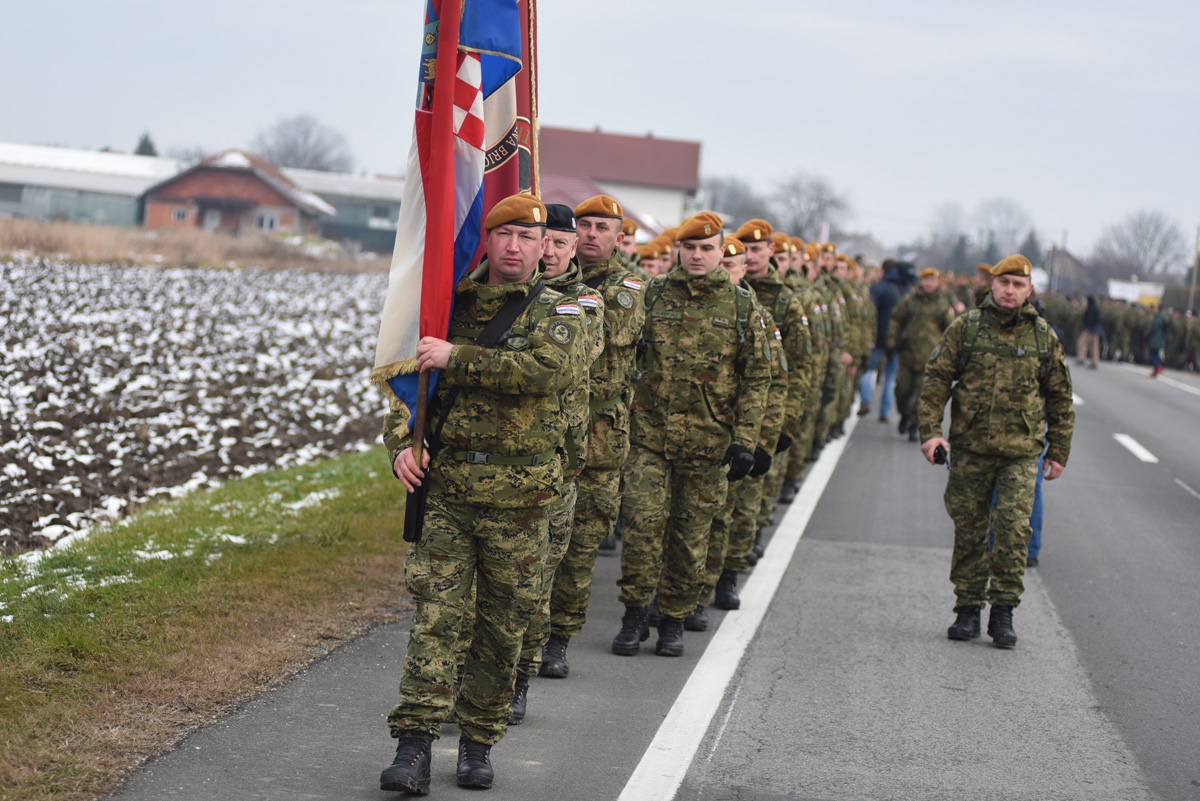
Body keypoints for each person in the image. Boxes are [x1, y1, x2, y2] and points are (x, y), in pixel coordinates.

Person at [378, 194, 590, 792]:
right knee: (437, 619)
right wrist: (399, 445)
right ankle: (414, 744)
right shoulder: (447, 304)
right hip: (447, 490)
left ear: (546, 244)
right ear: (488, 240)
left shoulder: (564, 310)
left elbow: (545, 371)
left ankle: (478, 742)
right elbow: (404, 384)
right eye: (507, 235)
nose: (519, 247)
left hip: (522, 501)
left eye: (531, 236)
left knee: (503, 626)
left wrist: (459, 357)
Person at [613, 212, 771, 657]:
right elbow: (627, 355)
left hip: (708, 443)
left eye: (707, 249)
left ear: (722, 251)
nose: (698, 256)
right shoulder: (655, 293)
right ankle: (633, 614)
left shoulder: (743, 307)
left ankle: (674, 618)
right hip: (649, 436)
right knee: (643, 526)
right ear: (679, 250)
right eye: (690, 248)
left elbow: (758, 378)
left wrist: (746, 439)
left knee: (689, 534)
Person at [918, 254, 1074, 649]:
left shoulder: (1043, 337)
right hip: (971, 449)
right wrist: (931, 433)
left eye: (1018, 285)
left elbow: (1060, 399)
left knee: (1011, 531)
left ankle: (1003, 611)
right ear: (992, 284)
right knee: (970, 529)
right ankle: (968, 608)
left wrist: (1058, 451)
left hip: (1022, 454)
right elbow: (937, 379)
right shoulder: (967, 328)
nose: (1010, 290)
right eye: (1004, 282)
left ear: (1029, 291)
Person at [540, 195, 645, 678]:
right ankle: (524, 637)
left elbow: (626, 348)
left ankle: (558, 638)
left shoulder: (631, 289)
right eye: (583, 225)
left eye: (601, 227)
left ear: (619, 236)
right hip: (549, 434)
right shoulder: (546, 282)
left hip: (601, 439)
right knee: (538, 546)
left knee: (580, 549)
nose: (590, 234)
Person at [890, 268, 956, 442]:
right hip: (908, 355)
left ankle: (914, 424)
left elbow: (951, 330)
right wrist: (891, 341)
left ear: (937, 284)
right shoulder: (910, 301)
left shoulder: (942, 304)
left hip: (930, 359)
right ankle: (904, 414)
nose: (928, 284)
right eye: (926, 280)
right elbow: (895, 319)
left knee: (922, 396)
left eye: (932, 281)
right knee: (901, 390)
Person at [858, 259, 906, 421]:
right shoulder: (905, 289)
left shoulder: (878, 288)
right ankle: (885, 412)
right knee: (890, 377)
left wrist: (870, 337)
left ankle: (865, 400)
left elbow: (870, 313)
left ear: (884, 271)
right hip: (897, 341)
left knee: (867, 369)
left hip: (878, 338)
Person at [1078, 296, 1102, 369]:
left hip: (1089, 330)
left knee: (1082, 343)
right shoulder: (1096, 309)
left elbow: (1088, 320)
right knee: (1094, 347)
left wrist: (1087, 327)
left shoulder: (1089, 310)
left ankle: (1081, 358)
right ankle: (1094, 361)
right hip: (1096, 331)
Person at [1148, 304, 1169, 377]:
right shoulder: (1161, 316)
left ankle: (1158, 366)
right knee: (1155, 353)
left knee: (1152, 352)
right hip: (1159, 337)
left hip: (1156, 337)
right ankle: (1156, 369)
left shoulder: (1159, 317)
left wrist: (1149, 332)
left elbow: (1155, 326)